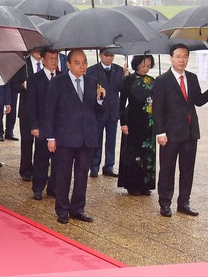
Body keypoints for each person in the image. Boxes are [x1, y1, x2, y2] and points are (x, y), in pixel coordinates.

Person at [153, 43, 208, 218]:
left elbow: (197, 100)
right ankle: (165, 203)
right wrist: (160, 133)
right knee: (167, 169)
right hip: (170, 133)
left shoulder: (192, 77)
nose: (182, 60)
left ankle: (184, 202)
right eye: (178, 56)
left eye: (185, 57)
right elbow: (157, 109)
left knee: (187, 169)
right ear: (171, 58)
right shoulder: (162, 80)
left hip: (190, 132)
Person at [45, 49, 105, 225]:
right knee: (63, 175)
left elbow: (98, 112)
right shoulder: (58, 82)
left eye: (84, 62)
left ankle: (77, 208)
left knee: (82, 175)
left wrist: (100, 99)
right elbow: (50, 111)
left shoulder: (93, 82)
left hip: (87, 137)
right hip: (65, 136)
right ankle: (62, 210)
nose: (82, 66)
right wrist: (50, 137)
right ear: (68, 64)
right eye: (77, 63)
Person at [117, 55, 157, 196]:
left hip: (149, 121)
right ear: (137, 64)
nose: (145, 68)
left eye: (148, 65)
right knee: (133, 153)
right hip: (133, 119)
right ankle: (132, 184)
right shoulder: (128, 80)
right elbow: (122, 103)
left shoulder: (153, 81)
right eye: (143, 65)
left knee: (148, 153)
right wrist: (123, 123)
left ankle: (146, 184)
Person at [27, 48, 60, 199]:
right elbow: (31, 104)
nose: (54, 60)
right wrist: (34, 125)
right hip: (41, 124)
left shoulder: (62, 77)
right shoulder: (35, 79)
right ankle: (38, 188)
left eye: (56, 57)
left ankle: (53, 187)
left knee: (58, 160)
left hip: (59, 126)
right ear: (43, 60)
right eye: (50, 58)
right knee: (41, 157)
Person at [86, 48, 124, 178]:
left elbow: (121, 89)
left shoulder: (119, 70)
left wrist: (127, 77)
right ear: (100, 55)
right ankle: (94, 166)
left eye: (111, 55)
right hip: (98, 110)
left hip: (113, 110)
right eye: (106, 55)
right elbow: (87, 90)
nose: (109, 58)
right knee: (97, 139)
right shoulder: (92, 70)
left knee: (111, 140)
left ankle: (109, 166)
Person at [9, 48, 46, 181]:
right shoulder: (22, 64)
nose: (38, 51)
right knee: (27, 141)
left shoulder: (47, 64)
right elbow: (13, 84)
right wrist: (23, 85)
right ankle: (25, 170)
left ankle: (40, 170)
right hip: (26, 109)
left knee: (42, 143)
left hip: (43, 111)